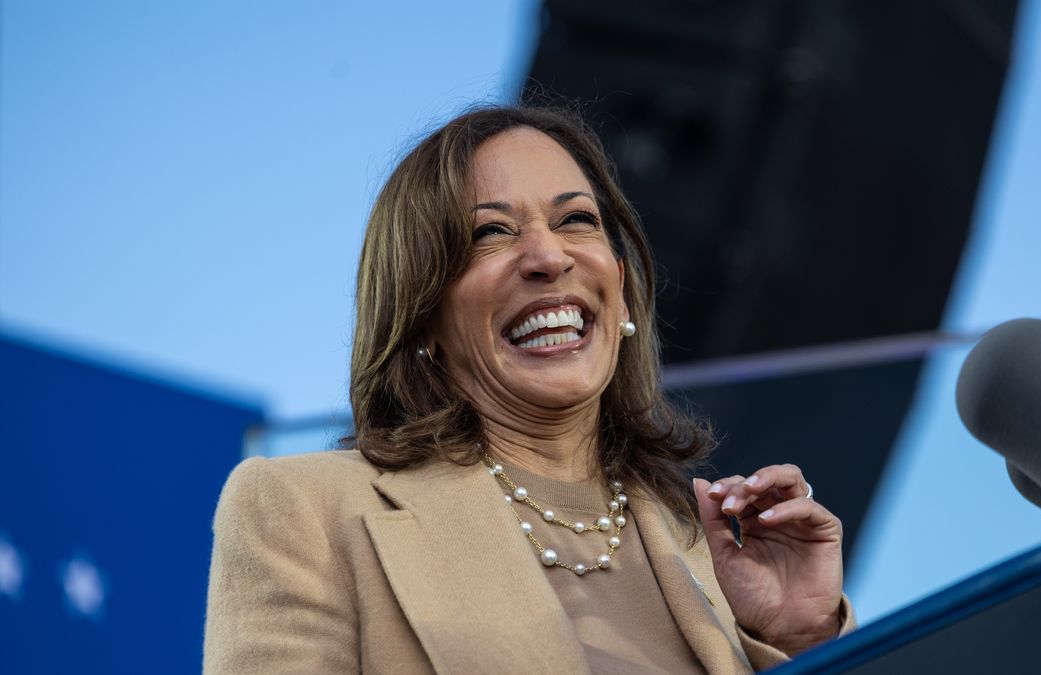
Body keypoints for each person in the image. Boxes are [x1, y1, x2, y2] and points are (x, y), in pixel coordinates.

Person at [203, 105, 853, 674]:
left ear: (621, 286)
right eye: (492, 232)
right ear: (424, 313)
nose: (548, 256)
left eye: (576, 220)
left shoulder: (711, 555)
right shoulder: (300, 510)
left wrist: (805, 639)